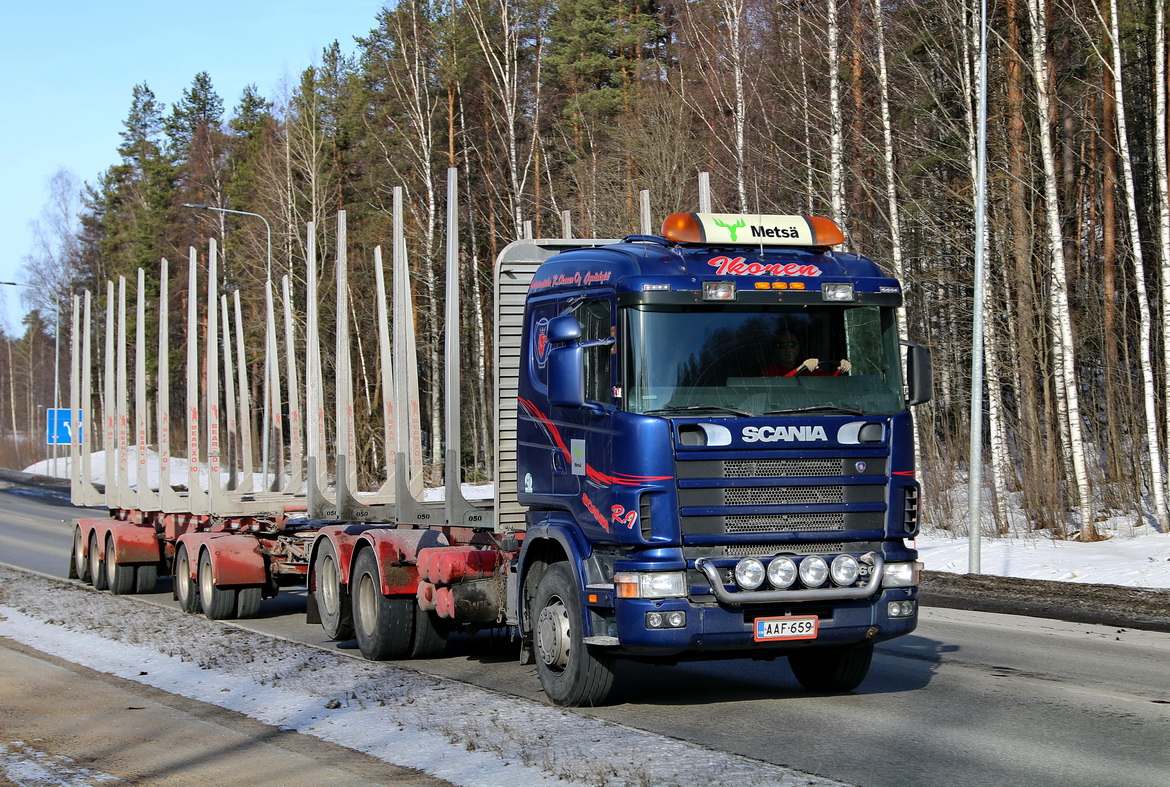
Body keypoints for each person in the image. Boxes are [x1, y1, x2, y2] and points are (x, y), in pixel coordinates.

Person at [762, 333, 851, 377]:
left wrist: (842, 369)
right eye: (781, 345)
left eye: (792, 345)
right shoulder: (770, 370)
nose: (787, 349)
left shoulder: (809, 370)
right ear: (775, 350)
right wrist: (801, 368)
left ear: (798, 348)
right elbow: (778, 388)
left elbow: (830, 383)